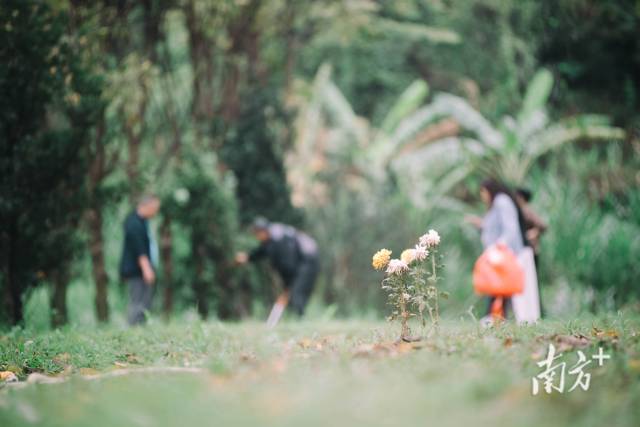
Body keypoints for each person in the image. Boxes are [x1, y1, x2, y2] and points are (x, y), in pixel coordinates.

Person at [467, 179, 527, 320]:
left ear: (490, 190)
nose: (483, 196)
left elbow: (510, 228)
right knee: (497, 286)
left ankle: (493, 317)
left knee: (498, 285)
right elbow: (492, 227)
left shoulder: (502, 201)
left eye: (483, 192)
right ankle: (496, 317)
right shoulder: (496, 204)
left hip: (502, 253)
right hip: (497, 252)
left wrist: (499, 246)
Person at [236, 218, 319, 316]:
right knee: (292, 293)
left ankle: (299, 320)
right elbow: (262, 251)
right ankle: (297, 318)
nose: (256, 237)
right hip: (301, 262)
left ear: (263, 231)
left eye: (256, 233)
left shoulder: (279, 239)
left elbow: (289, 263)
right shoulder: (271, 238)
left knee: (296, 292)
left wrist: (288, 285)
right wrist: (248, 257)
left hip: (308, 260)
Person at [119, 194, 160, 325]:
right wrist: (147, 268)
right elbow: (139, 249)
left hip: (141, 268)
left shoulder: (142, 222)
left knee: (145, 301)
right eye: (154, 208)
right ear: (146, 206)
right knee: (137, 301)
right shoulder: (133, 223)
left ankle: (141, 327)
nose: (155, 212)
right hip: (136, 270)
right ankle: (133, 328)